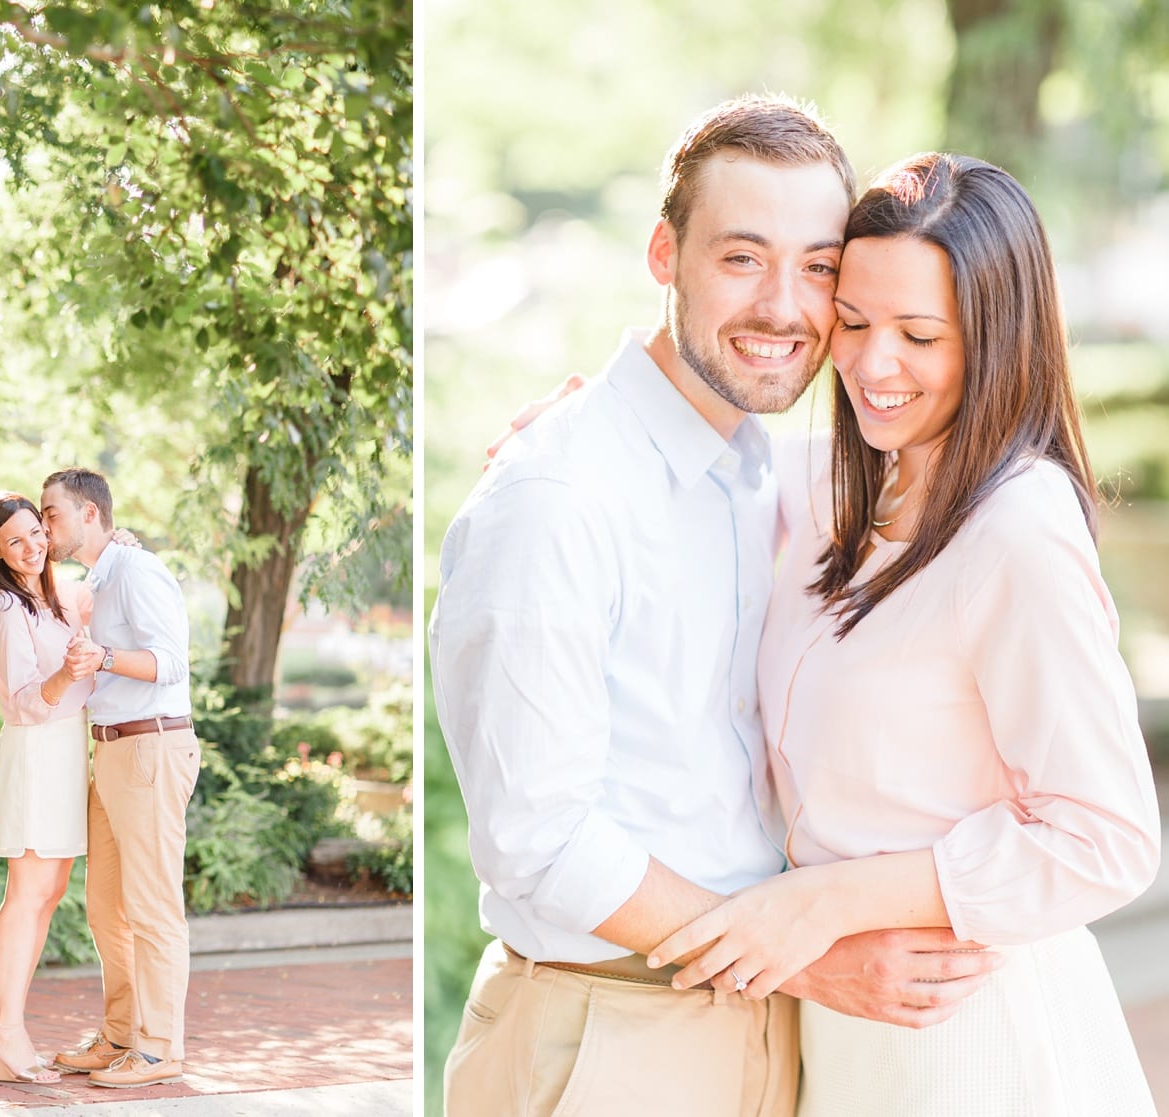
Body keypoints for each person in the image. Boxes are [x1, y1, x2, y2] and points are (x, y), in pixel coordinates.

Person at [429, 95, 999, 1117]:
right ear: (664, 254)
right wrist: (800, 958)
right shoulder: (557, 499)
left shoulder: (764, 473)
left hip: (756, 1024)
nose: (784, 307)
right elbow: (541, 838)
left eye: (819, 267)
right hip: (605, 1030)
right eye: (742, 258)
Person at [649, 153, 1160, 1115]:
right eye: (854, 321)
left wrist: (830, 900)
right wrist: (584, 427)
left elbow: (1107, 838)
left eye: (920, 336)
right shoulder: (847, 487)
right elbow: (699, 454)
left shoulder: (1017, 531)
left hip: (974, 1038)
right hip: (849, 1030)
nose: (871, 367)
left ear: (999, 340)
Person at [39, 467, 200, 1090]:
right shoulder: (101, 577)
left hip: (150, 749)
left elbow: (171, 662)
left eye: (52, 512)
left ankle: (160, 1050)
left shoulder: (136, 571)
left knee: (154, 907)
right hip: (109, 754)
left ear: (89, 513)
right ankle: (121, 1037)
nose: (46, 523)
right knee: (107, 909)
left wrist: (102, 657)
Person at [0, 492, 94, 1084]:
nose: (31, 546)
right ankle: (3, 1028)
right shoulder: (3, 607)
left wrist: (117, 544)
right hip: (37, 749)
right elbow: (20, 701)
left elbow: (101, 595)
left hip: (68, 748)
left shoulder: (56, 592)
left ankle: (4, 1032)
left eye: (35, 533)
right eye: (14, 541)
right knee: (28, 889)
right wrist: (65, 674)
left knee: (50, 890)